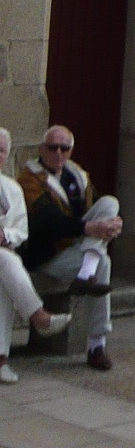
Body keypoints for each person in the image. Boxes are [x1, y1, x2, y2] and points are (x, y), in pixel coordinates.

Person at [18, 126, 118, 372]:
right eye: (52, 147)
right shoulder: (30, 180)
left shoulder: (78, 175)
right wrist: (89, 228)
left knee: (110, 203)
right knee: (103, 262)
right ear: (42, 149)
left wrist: (114, 224)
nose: (58, 153)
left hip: (78, 247)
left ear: (71, 151)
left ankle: (87, 273)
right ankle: (97, 344)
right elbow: (48, 222)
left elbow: (98, 207)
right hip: (48, 255)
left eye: (64, 148)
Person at [0, 129, 70, 384]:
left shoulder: (12, 189)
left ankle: (0, 360)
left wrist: (5, 235)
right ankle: (38, 316)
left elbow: (21, 231)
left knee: (5, 271)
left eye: (1, 151)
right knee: (8, 262)